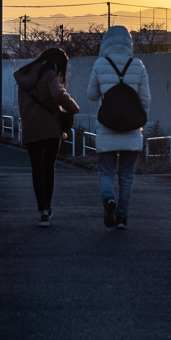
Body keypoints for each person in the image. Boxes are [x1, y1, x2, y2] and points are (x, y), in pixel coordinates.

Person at [87, 25, 151, 230]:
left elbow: (92, 95)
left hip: (107, 127)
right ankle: (122, 218)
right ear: (129, 43)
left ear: (106, 42)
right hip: (131, 130)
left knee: (105, 171)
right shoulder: (138, 65)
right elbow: (145, 101)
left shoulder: (100, 63)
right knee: (126, 176)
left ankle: (109, 201)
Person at [14, 48, 80, 227]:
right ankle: (47, 208)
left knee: (37, 169)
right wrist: (74, 108)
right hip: (51, 127)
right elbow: (58, 94)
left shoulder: (25, 74)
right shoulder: (50, 74)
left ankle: (42, 209)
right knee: (49, 168)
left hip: (31, 127)